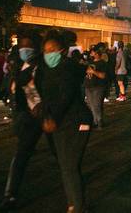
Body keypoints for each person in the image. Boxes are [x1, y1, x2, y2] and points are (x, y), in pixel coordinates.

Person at [35, 30, 92, 212]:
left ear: (62, 50)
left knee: (69, 166)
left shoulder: (68, 68)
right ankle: (75, 202)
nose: (49, 54)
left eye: (53, 50)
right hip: (59, 124)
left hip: (77, 121)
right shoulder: (44, 71)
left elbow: (65, 96)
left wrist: (53, 118)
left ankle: (76, 206)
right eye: (46, 51)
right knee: (67, 165)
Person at [0, 30, 43, 212]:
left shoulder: (42, 67)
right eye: (22, 46)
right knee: (20, 156)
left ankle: (75, 198)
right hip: (28, 119)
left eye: (28, 46)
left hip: (46, 117)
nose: (25, 49)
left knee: (64, 158)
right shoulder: (20, 66)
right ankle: (10, 196)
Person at [84, 45, 108, 130]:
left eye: (93, 52)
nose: (91, 54)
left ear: (97, 54)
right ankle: (95, 121)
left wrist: (93, 71)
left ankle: (99, 121)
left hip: (98, 86)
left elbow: (103, 75)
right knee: (91, 105)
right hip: (88, 86)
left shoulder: (102, 63)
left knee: (97, 104)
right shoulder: (89, 62)